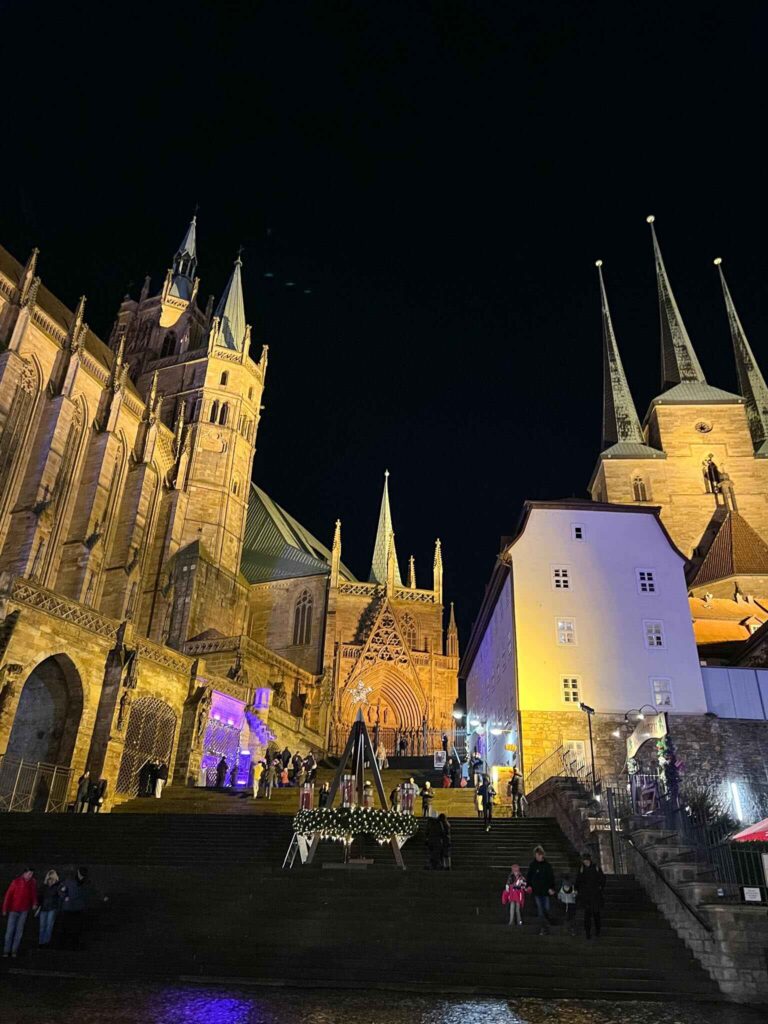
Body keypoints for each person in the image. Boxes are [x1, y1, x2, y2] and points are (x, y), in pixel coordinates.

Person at [2, 868, 38, 958]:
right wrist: (4, 909)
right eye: (29, 874)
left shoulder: (32, 883)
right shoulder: (16, 882)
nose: (30, 876)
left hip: (24, 910)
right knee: (10, 931)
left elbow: (33, 894)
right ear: (24, 874)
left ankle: (14, 951)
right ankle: (6, 950)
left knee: (19, 932)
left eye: (32, 874)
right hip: (14, 909)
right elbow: (8, 895)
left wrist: (34, 903)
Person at [576, 852, 606, 939]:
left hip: (595, 895)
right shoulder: (581, 869)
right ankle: (588, 933)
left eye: (586, 860)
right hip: (586, 896)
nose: (585, 862)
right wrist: (578, 890)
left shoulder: (595, 868)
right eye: (584, 860)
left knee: (596, 914)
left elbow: (602, 879)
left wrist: (600, 887)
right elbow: (578, 881)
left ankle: (597, 931)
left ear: (589, 860)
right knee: (587, 915)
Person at [527, 846, 556, 935]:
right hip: (537, 891)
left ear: (542, 855)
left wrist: (552, 888)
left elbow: (551, 877)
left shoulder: (547, 865)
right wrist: (529, 886)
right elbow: (529, 876)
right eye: (536, 855)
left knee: (546, 908)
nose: (537, 857)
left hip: (545, 890)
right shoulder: (533, 865)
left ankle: (546, 926)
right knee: (540, 910)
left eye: (539, 855)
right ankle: (543, 928)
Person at [37, 869, 61, 947]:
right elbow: (40, 897)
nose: (51, 880)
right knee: (42, 926)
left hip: (52, 908)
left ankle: (46, 942)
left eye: (53, 878)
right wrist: (38, 906)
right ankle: (41, 942)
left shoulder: (57, 887)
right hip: (44, 908)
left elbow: (60, 897)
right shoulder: (44, 887)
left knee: (49, 926)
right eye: (50, 878)